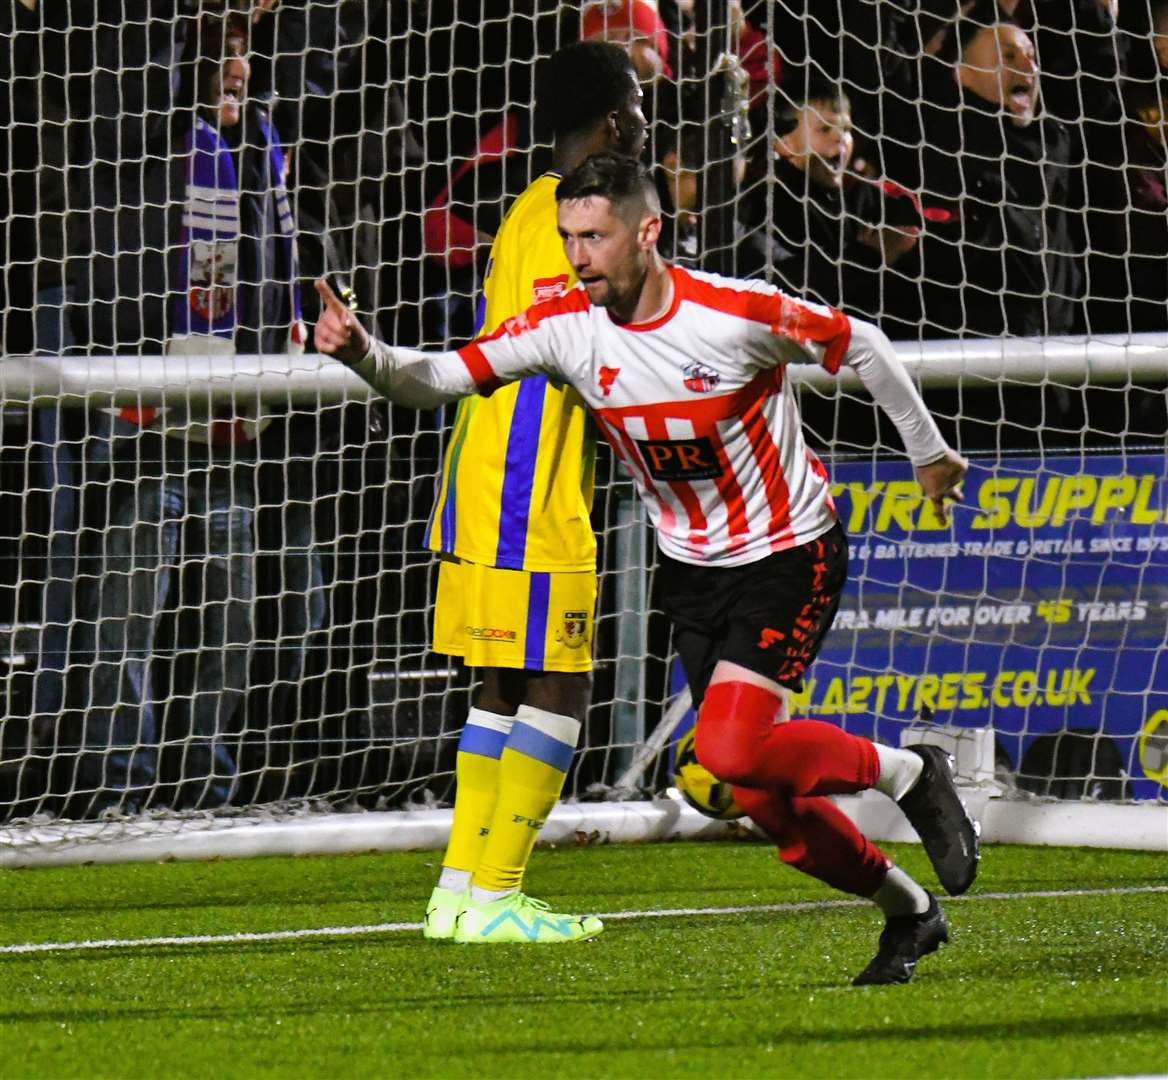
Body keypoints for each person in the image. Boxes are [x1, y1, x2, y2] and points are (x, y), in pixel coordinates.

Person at [314, 151, 980, 984]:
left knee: (730, 752)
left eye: (594, 236)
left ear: (647, 233)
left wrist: (928, 453)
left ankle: (912, 770)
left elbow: (868, 346)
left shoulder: (732, 316)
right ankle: (909, 912)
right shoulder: (565, 326)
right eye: (567, 237)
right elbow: (437, 379)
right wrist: (363, 354)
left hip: (789, 551)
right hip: (691, 571)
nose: (578, 254)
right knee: (763, 803)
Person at [413, 43, 647, 944]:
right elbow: (582, 350)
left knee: (500, 687)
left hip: (489, 478)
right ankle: (498, 894)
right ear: (614, 118)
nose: (645, 116)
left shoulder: (527, 209)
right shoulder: (568, 224)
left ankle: (461, 893)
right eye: (637, 101)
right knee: (560, 686)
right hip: (528, 488)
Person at [69, 12, 301, 815]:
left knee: (232, 624)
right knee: (130, 614)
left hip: (235, 422)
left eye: (245, 52)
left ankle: (206, 784)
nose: (238, 67)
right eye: (223, 53)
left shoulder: (263, 139)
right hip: (149, 419)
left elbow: (279, 259)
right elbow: (135, 67)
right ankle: (117, 788)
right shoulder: (151, 134)